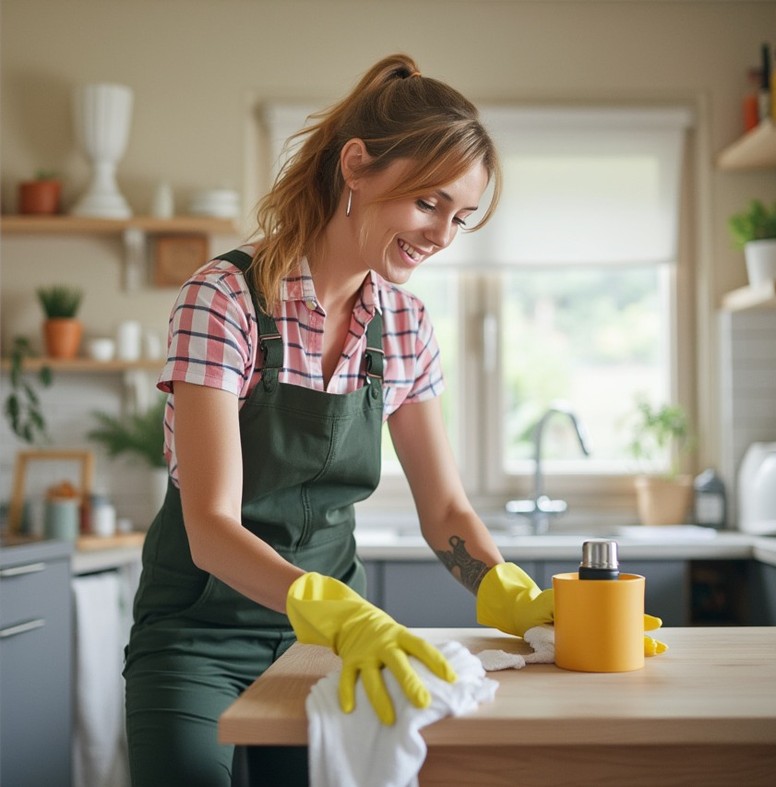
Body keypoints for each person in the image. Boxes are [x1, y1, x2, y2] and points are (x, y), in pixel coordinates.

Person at [123, 53, 664, 787]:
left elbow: (444, 508)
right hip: (197, 635)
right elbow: (212, 529)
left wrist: (517, 599)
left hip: (325, 650)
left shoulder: (403, 325)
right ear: (357, 167)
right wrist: (338, 611)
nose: (442, 234)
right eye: (429, 202)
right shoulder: (224, 299)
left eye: (460, 216)